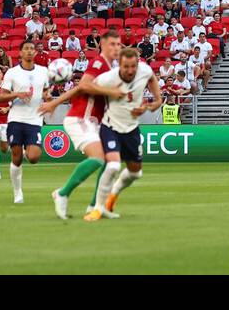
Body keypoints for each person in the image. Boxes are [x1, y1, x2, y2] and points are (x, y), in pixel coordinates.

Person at [41, 29, 127, 219]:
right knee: (98, 158)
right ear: (102, 45)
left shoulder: (110, 69)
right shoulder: (98, 63)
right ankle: (62, 194)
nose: (116, 48)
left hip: (94, 122)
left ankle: (95, 206)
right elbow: (84, 85)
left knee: (110, 161)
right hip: (80, 118)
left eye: (118, 44)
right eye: (112, 44)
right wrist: (54, 103)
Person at [86, 46, 162, 220]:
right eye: (126, 66)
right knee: (113, 166)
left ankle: (112, 194)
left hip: (131, 128)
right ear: (119, 64)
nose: (130, 70)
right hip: (110, 126)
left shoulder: (145, 70)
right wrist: (109, 93)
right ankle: (96, 208)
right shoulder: (108, 78)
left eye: (133, 66)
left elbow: (152, 82)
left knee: (136, 173)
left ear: (138, 64)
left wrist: (153, 103)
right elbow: (87, 87)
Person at [0, 39, 50, 204]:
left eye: (32, 49)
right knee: (17, 157)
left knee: (34, 157)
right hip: (16, 118)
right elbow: (2, 96)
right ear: (20, 53)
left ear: (35, 52)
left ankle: (27, 150)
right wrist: (17, 95)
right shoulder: (12, 73)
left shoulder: (43, 71)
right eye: (26, 49)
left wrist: (47, 98)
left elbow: (46, 91)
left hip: (35, 119)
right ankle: (17, 192)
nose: (29, 51)